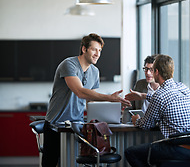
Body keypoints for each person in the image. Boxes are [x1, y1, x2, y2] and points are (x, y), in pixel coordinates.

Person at [42, 33, 130, 167]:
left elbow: (90, 100)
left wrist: (100, 116)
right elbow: (80, 92)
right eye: (94, 49)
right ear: (84, 49)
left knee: (72, 162)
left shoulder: (95, 72)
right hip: (56, 124)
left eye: (100, 50)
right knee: (51, 163)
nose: (98, 54)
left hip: (76, 124)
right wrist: (109, 98)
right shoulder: (69, 64)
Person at [124, 54, 190, 167]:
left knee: (130, 152)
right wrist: (144, 96)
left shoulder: (159, 95)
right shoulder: (183, 88)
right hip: (188, 147)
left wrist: (137, 119)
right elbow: (168, 98)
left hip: (174, 147)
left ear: (157, 72)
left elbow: (145, 124)